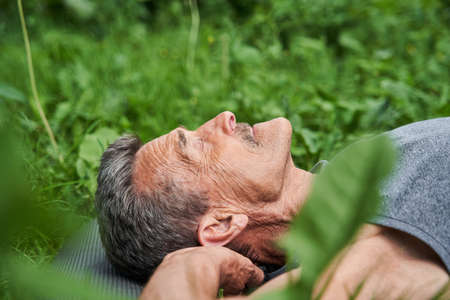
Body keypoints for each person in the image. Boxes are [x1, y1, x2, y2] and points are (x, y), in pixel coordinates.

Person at [95, 112, 450, 299]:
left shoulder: (362, 180)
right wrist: (191, 265)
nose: (225, 116)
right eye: (199, 146)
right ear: (220, 224)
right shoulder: (363, 239)